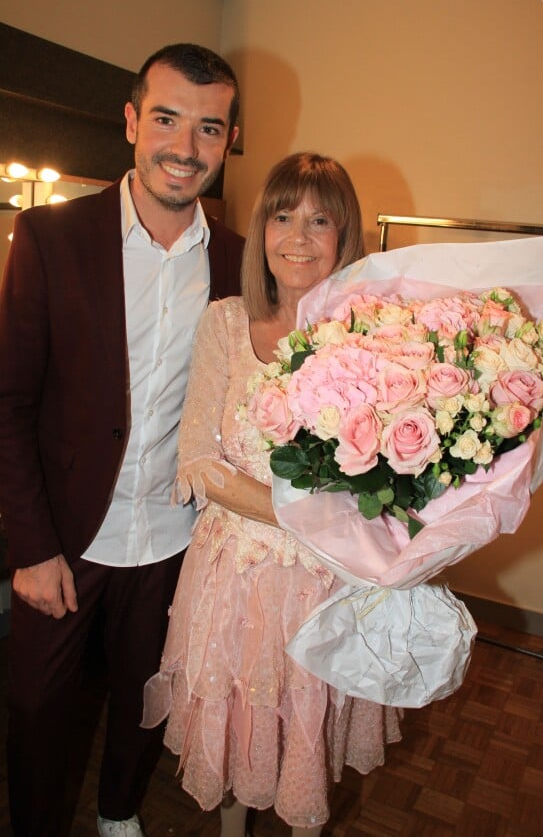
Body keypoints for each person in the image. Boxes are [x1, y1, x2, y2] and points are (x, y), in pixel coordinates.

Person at [0, 43, 244, 837]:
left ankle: (118, 813)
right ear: (133, 120)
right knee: (38, 707)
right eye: (168, 119)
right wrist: (30, 547)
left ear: (229, 138)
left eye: (209, 128)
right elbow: (9, 400)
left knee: (149, 694)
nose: (185, 147)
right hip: (66, 539)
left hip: (177, 537)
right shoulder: (47, 236)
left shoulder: (241, 262)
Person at [142, 153, 403, 836]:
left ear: (345, 237)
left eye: (321, 221)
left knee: (306, 737)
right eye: (283, 216)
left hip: (329, 585)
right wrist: (303, 516)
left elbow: (393, 477)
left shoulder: (376, 338)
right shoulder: (225, 325)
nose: (298, 236)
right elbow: (198, 456)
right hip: (234, 576)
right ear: (261, 229)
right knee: (237, 735)